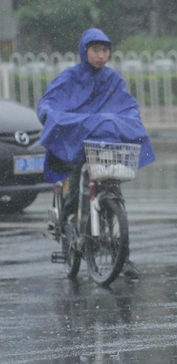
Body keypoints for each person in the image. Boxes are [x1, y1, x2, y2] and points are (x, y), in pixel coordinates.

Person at [37, 28, 156, 279]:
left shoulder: (112, 79)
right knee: (74, 192)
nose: (101, 56)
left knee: (115, 193)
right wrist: (52, 115)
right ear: (84, 51)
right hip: (77, 145)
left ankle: (122, 258)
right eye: (96, 50)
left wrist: (130, 120)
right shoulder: (70, 77)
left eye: (105, 50)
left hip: (104, 148)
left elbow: (128, 106)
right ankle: (69, 227)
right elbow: (48, 102)